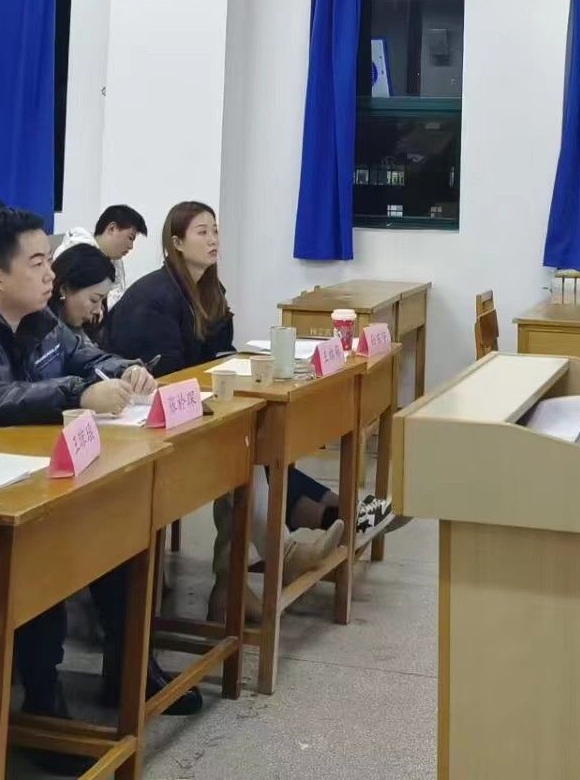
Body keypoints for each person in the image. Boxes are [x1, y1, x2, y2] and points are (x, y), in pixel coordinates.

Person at [0, 209, 199, 736]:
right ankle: (41, 703)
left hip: (7, 472)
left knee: (117, 525)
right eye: (38, 263)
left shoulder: (39, 319)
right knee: (43, 555)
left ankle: (127, 667)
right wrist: (77, 393)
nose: (51, 275)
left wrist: (126, 371)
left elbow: (86, 356)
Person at [103, 201, 358, 623]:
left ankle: (235, 585)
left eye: (215, 230)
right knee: (241, 450)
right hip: (146, 426)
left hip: (194, 413)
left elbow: (219, 355)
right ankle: (258, 568)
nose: (213, 239)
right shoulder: (153, 297)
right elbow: (165, 376)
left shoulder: (210, 291)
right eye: (202, 232)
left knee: (248, 444)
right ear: (176, 242)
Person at [50, 239, 115, 345]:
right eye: (94, 300)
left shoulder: (83, 332)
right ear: (64, 289)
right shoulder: (41, 335)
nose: (97, 310)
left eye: (102, 301)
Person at [91, 204, 147, 305]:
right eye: (130, 238)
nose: (131, 246)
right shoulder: (78, 255)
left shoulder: (115, 260)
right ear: (112, 228)